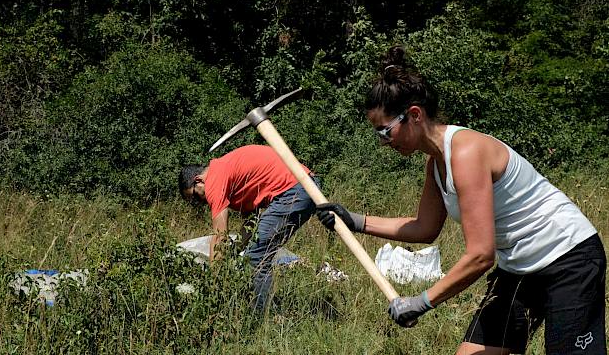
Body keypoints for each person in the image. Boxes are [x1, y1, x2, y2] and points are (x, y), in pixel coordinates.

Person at [318, 46, 606, 354]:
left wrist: (421, 302)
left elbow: (481, 255)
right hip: (519, 268)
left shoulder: (466, 153)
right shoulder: (436, 163)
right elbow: (424, 228)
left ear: (414, 115)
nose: (384, 143)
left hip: (568, 258)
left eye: (385, 132)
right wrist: (355, 221)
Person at [179, 144, 320, 311]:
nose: (198, 202)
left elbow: (219, 237)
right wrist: (235, 250)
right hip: (305, 184)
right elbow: (251, 223)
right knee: (256, 252)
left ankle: (261, 318)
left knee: (256, 258)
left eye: (195, 196)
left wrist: (213, 284)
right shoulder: (232, 181)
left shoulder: (215, 179)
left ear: (198, 180)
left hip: (294, 190)